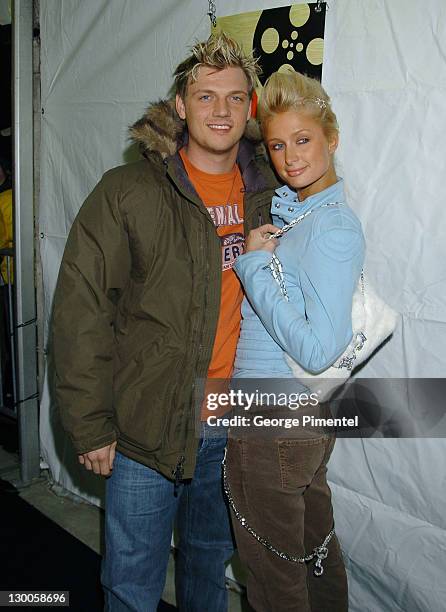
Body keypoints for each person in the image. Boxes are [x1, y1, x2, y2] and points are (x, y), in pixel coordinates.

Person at [52, 34, 278, 611]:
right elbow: (82, 310)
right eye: (205, 97)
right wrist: (91, 423)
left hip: (231, 430)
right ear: (179, 104)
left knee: (210, 572)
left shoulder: (273, 194)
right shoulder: (127, 191)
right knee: (131, 586)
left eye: (233, 98)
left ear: (250, 105)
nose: (220, 111)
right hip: (142, 431)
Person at [225, 70, 366, 611]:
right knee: (314, 553)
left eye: (302, 141)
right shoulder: (307, 216)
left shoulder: (331, 227)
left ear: (331, 139)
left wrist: (254, 264)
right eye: (278, 145)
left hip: (272, 421)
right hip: (294, 419)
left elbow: (317, 350)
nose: (289, 157)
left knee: (273, 580)